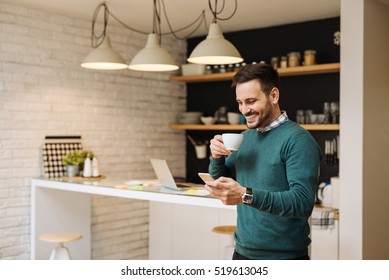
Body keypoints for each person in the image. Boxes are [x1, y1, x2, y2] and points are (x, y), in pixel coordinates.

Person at [205, 63, 322, 260]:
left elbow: (302, 203)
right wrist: (216, 157)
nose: (244, 110)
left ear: (274, 96)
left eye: (250, 101)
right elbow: (221, 179)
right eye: (240, 102)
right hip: (242, 252)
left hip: (284, 258)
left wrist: (245, 195)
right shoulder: (245, 137)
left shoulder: (298, 140)